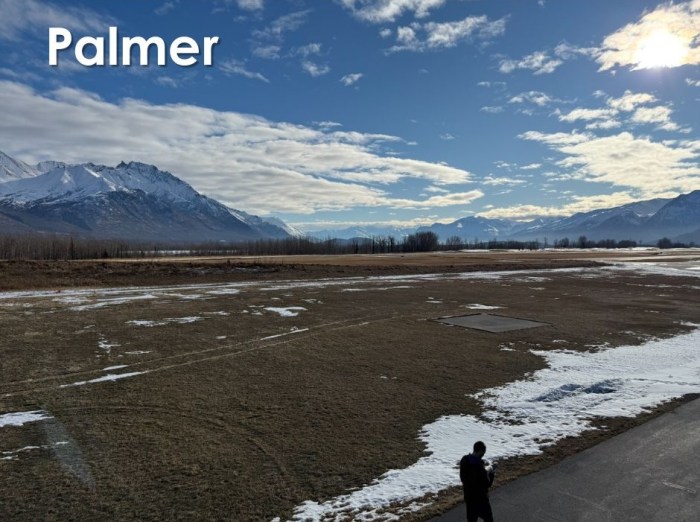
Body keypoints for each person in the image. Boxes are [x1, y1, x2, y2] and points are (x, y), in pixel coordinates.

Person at [460, 440, 495, 522]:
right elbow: (487, 484)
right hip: (481, 499)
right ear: (480, 451)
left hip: (469, 498)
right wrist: (491, 474)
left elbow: (463, 478)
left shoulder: (464, 460)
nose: (483, 455)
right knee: (488, 519)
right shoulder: (479, 467)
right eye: (483, 452)